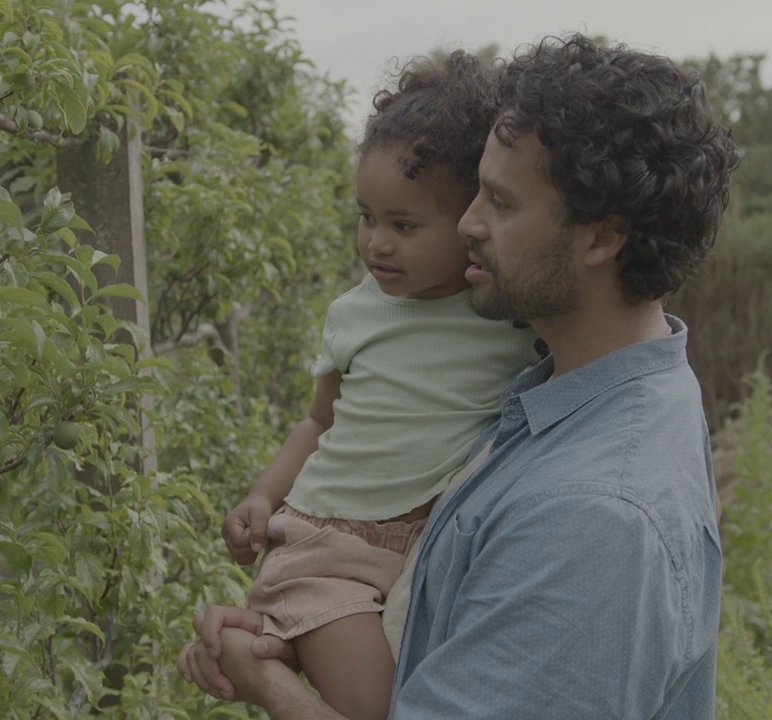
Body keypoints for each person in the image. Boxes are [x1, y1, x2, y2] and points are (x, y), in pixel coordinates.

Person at [180, 32, 737, 719]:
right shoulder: (600, 391)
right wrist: (307, 630)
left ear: (602, 236)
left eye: (499, 203)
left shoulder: (595, 519)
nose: (468, 223)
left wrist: (263, 680)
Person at [216, 50, 540, 720]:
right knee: (375, 709)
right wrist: (261, 495)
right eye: (367, 217)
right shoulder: (356, 313)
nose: (377, 244)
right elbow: (317, 423)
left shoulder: (507, 321)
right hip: (324, 548)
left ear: (472, 221)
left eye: (404, 225)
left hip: (419, 553)